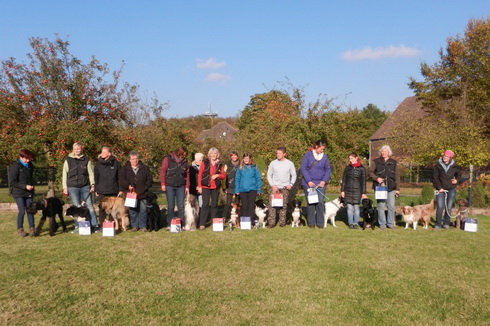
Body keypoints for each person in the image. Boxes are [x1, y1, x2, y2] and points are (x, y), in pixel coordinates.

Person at [62, 142, 98, 232]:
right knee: (76, 207)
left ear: (81, 149)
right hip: (72, 187)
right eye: (75, 149)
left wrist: (92, 184)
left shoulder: (86, 159)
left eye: (79, 149)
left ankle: (94, 225)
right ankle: (78, 226)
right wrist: (64, 187)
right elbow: (64, 174)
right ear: (73, 150)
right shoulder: (68, 159)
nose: (77, 151)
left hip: (85, 186)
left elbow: (90, 173)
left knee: (89, 206)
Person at [300, 140, 332, 228]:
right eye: (321, 149)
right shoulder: (308, 155)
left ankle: (320, 223)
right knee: (311, 203)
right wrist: (309, 181)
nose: (322, 151)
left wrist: (324, 181)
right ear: (316, 147)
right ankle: (311, 223)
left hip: (321, 184)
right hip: (309, 184)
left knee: (320, 203)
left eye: (323, 149)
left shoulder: (325, 157)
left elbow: (328, 170)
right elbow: (303, 168)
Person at [119, 151, 153, 231]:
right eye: (133, 159)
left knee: (143, 210)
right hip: (131, 193)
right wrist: (128, 186)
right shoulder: (124, 169)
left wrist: (144, 188)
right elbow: (121, 180)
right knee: (132, 210)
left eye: (137, 159)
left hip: (142, 193)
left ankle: (143, 226)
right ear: (129, 160)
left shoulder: (145, 168)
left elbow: (149, 180)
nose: (135, 160)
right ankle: (134, 226)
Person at [368, 145, 400, 230]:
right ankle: (382, 224)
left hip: (391, 188)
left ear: (389, 153)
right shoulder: (375, 162)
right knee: (381, 206)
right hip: (380, 188)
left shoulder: (394, 162)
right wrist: (377, 178)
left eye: (385, 151)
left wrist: (398, 189)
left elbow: (397, 176)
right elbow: (370, 172)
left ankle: (390, 223)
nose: (383, 153)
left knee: (391, 206)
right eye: (382, 151)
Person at [267, 146, 297, 228]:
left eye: (279, 153)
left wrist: (290, 184)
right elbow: (269, 175)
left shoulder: (290, 164)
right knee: (272, 205)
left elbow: (294, 175)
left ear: (284, 154)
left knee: (283, 206)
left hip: (285, 188)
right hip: (275, 187)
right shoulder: (273, 163)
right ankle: (271, 222)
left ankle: (282, 222)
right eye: (277, 153)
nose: (278, 154)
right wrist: (272, 185)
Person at [160, 146, 190, 227]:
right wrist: (163, 183)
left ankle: (181, 224)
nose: (183, 156)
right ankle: (170, 224)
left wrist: (187, 186)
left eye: (185, 155)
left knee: (181, 206)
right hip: (169, 185)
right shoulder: (168, 159)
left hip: (181, 186)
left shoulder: (185, 161)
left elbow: (187, 174)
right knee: (171, 206)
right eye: (182, 155)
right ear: (178, 153)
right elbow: (163, 171)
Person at [94, 146, 122, 230]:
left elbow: (119, 177)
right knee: (102, 209)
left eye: (104, 152)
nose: (101, 154)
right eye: (101, 152)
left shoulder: (116, 163)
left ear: (109, 153)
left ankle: (111, 225)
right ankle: (102, 226)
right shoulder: (98, 164)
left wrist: (120, 189)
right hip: (102, 190)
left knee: (112, 210)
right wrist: (96, 189)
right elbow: (96, 177)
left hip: (113, 189)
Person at [197, 147, 225, 230]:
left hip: (215, 187)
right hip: (206, 186)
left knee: (214, 205)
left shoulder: (220, 164)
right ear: (209, 155)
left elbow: (223, 175)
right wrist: (199, 186)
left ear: (217, 155)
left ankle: (214, 222)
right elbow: (200, 175)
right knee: (205, 204)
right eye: (212, 153)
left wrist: (217, 175)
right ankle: (202, 224)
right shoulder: (204, 162)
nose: (213, 155)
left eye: (215, 153)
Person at [9, 149, 36, 237]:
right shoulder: (15, 166)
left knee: (30, 210)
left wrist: (31, 186)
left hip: (28, 192)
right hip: (18, 193)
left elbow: (30, 178)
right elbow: (13, 182)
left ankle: (32, 229)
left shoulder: (30, 166)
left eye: (29, 159)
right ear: (21, 157)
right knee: (22, 211)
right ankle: (20, 229)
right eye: (26, 159)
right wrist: (25, 186)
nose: (28, 161)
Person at [433, 150, 460, 230]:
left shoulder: (454, 165)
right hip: (440, 189)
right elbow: (435, 177)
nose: (445, 157)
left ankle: (446, 223)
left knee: (448, 207)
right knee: (440, 207)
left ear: (450, 157)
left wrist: (457, 180)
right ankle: (438, 224)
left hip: (451, 188)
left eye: (447, 156)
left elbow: (459, 174)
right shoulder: (437, 165)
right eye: (444, 155)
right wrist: (439, 187)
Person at [341, 153, 367, 229]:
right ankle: (350, 223)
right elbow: (344, 180)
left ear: (356, 158)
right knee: (349, 208)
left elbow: (364, 182)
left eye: (352, 158)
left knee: (356, 208)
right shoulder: (347, 168)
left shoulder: (362, 168)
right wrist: (342, 190)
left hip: (358, 191)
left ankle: (355, 223)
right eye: (349, 159)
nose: (350, 160)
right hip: (348, 190)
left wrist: (363, 193)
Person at [235, 152, 262, 218]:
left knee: (251, 206)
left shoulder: (255, 167)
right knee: (244, 205)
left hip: (253, 189)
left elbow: (258, 178)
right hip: (242, 189)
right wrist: (237, 190)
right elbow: (237, 179)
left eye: (247, 158)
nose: (245, 160)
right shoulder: (240, 168)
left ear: (250, 159)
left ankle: (251, 221)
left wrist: (259, 190)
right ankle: (244, 221)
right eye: (244, 158)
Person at [222, 151, 240, 221]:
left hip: (238, 187)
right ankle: (224, 217)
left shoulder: (241, 164)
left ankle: (236, 218)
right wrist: (224, 188)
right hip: (229, 186)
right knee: (228, 204)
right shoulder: (227, 164)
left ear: (237, 157)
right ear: (230, 157)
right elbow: (224, 177)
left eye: (235, 156)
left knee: (237, 204)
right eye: (232, 156)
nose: (234, 157)